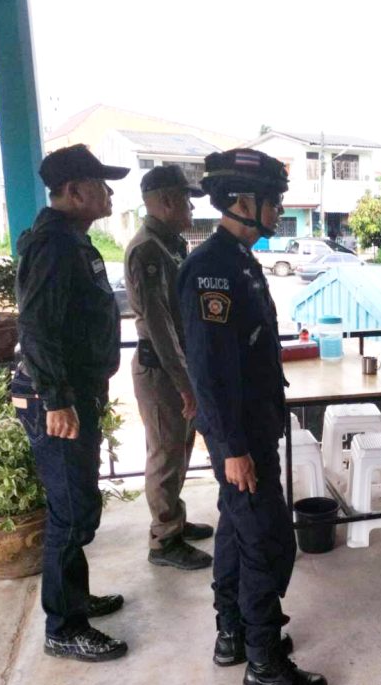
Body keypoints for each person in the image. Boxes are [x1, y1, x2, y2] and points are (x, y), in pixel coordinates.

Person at [177, 148, 327, 685]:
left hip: (251, 428)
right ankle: (264, 664)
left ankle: (234, 633)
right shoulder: (212, 269)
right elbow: (211, 369)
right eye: (274, 201)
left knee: (238, 533)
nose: (279, 211)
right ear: (243, 201)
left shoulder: (239, 261)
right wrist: (232, 447)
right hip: (240, 437)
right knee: (266, 542)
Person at [12, 144, 130, 662]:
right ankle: (63, 627)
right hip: (54, 400)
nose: (109, 195)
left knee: (78, 507)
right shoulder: (54, 245)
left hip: (74, 393)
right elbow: (36, 327)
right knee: (70, 513)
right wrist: (58, 400)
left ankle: (74, 600)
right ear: (75, 191)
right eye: (101, 186)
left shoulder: (71, 241)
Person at [125, 165, 213, 570]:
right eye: (186, 199)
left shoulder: (169, 244)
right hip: (161, 369)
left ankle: (173, 518)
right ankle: (164, 540)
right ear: (166, 201)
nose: (192, 208)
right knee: (164, 455)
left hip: (177, 366)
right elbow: (159, 327)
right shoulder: (148, 250)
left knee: (179, 449)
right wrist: (184, 383)